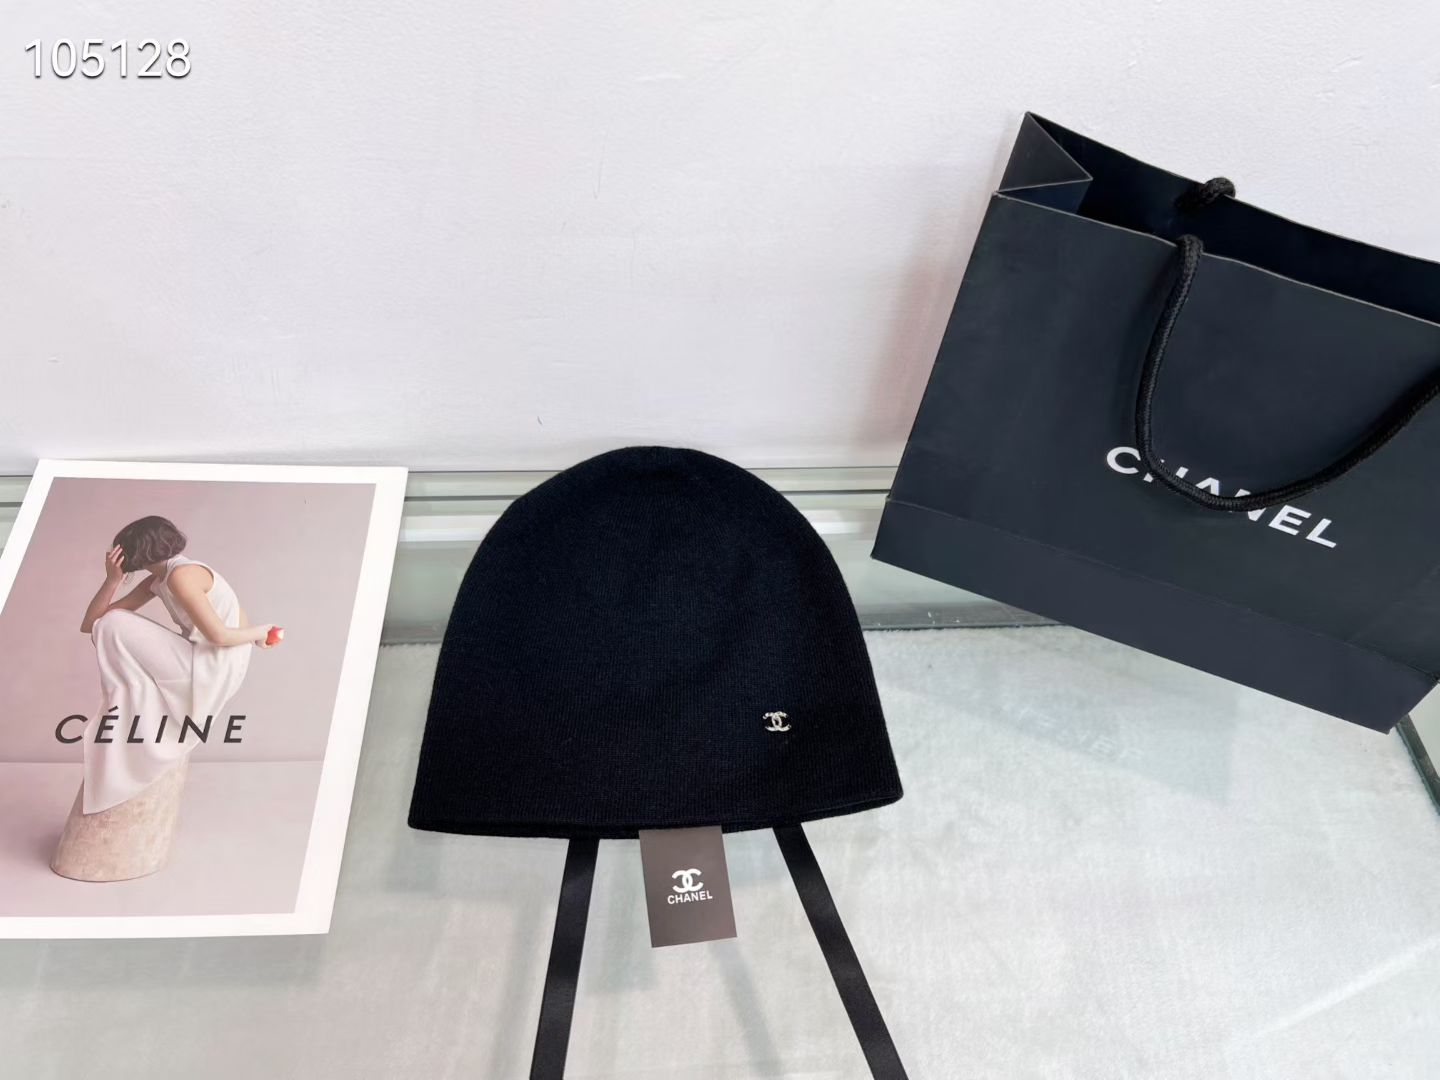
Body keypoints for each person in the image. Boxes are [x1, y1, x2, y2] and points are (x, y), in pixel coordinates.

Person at [76, 515, 281, 814]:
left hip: (212, 667)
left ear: (138, 550)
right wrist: (112, 580)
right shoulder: (160, 580)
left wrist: (261, 632)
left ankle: (131, 692)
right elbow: (91, 624)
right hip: (204, 659)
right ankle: (133, 692)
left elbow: (219, 635)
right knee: (109, 622)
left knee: (114, 623)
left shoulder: (182, 575)